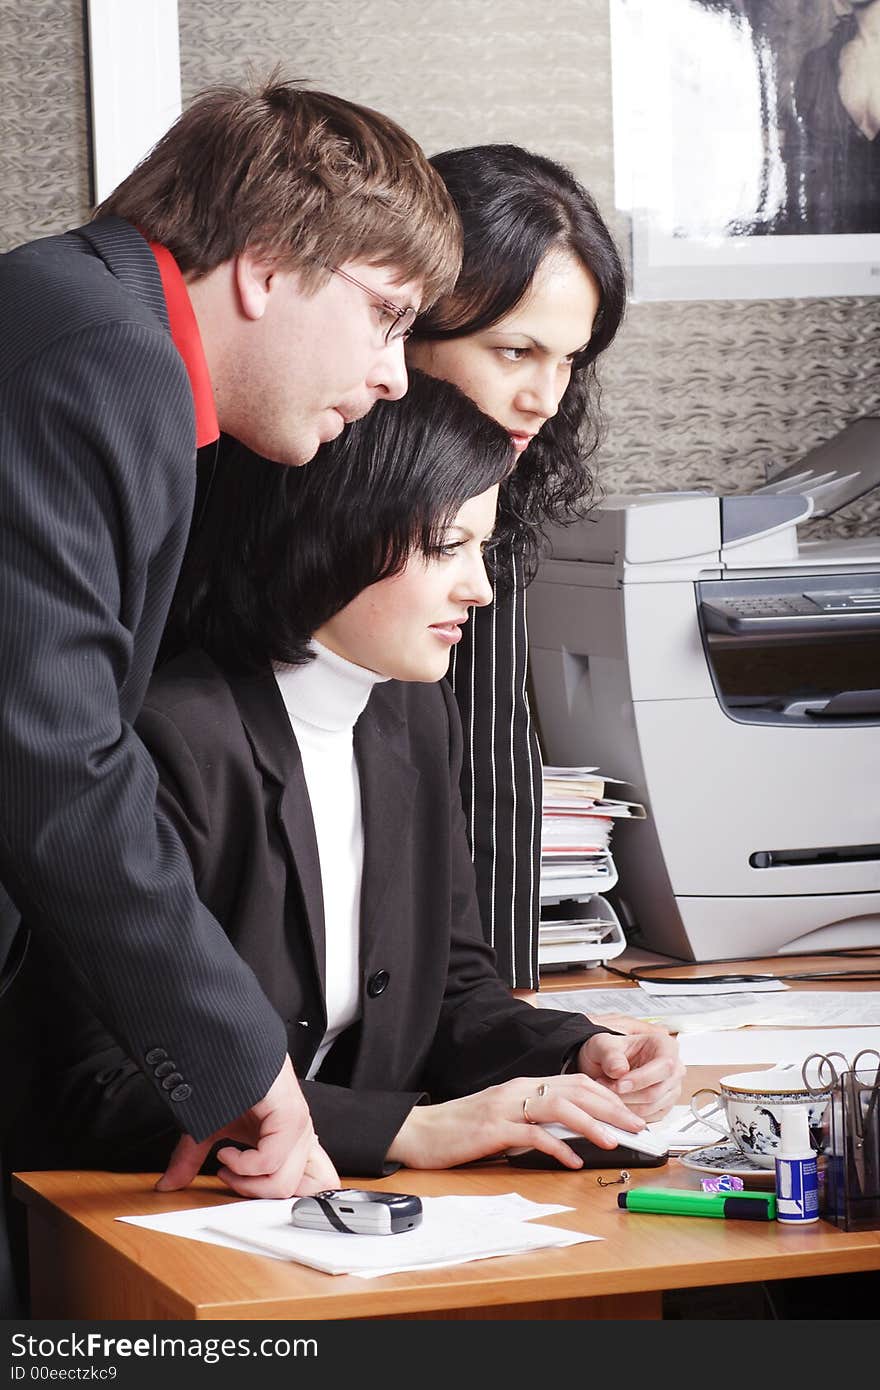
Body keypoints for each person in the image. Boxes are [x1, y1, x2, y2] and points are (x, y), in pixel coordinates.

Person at [0, 74, 461, 1308]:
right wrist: (242, 1058)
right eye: (384, 314)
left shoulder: (83, 323)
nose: (395, 375)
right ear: (264, 261)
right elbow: (55, 761)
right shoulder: (110, 361)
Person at [19, 372, 684, 1180]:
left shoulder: (410, 714)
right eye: (446, 547)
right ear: (336, 533)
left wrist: (581, 1050)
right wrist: (404, 1131)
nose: (478, 588)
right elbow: (99, 1087)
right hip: (154, 1219)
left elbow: (451, 990)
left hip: (341, 1211)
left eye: (484, 547)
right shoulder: (170, 739)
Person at [405, 145, 627, 988]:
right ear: (416, 315)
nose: (547, 396)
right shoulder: (284, 459)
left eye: (570, 360)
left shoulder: (504, 475)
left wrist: (509, 1015)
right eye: (515, 351)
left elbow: (493, 756)